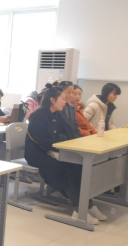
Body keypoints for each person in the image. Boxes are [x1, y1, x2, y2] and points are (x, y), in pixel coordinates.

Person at [25, 84, 106, 224]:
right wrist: (62, 143)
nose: (65, 101)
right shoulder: (38, 116)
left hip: (54, 150)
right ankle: (79, 210)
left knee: (78, 166)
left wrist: (67, 143)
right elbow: (43, 141)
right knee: (66, 170)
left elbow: (66, 133)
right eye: (62, 98)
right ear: (52, 100)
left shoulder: (57, 113)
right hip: (37, 154)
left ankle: (89, 205)